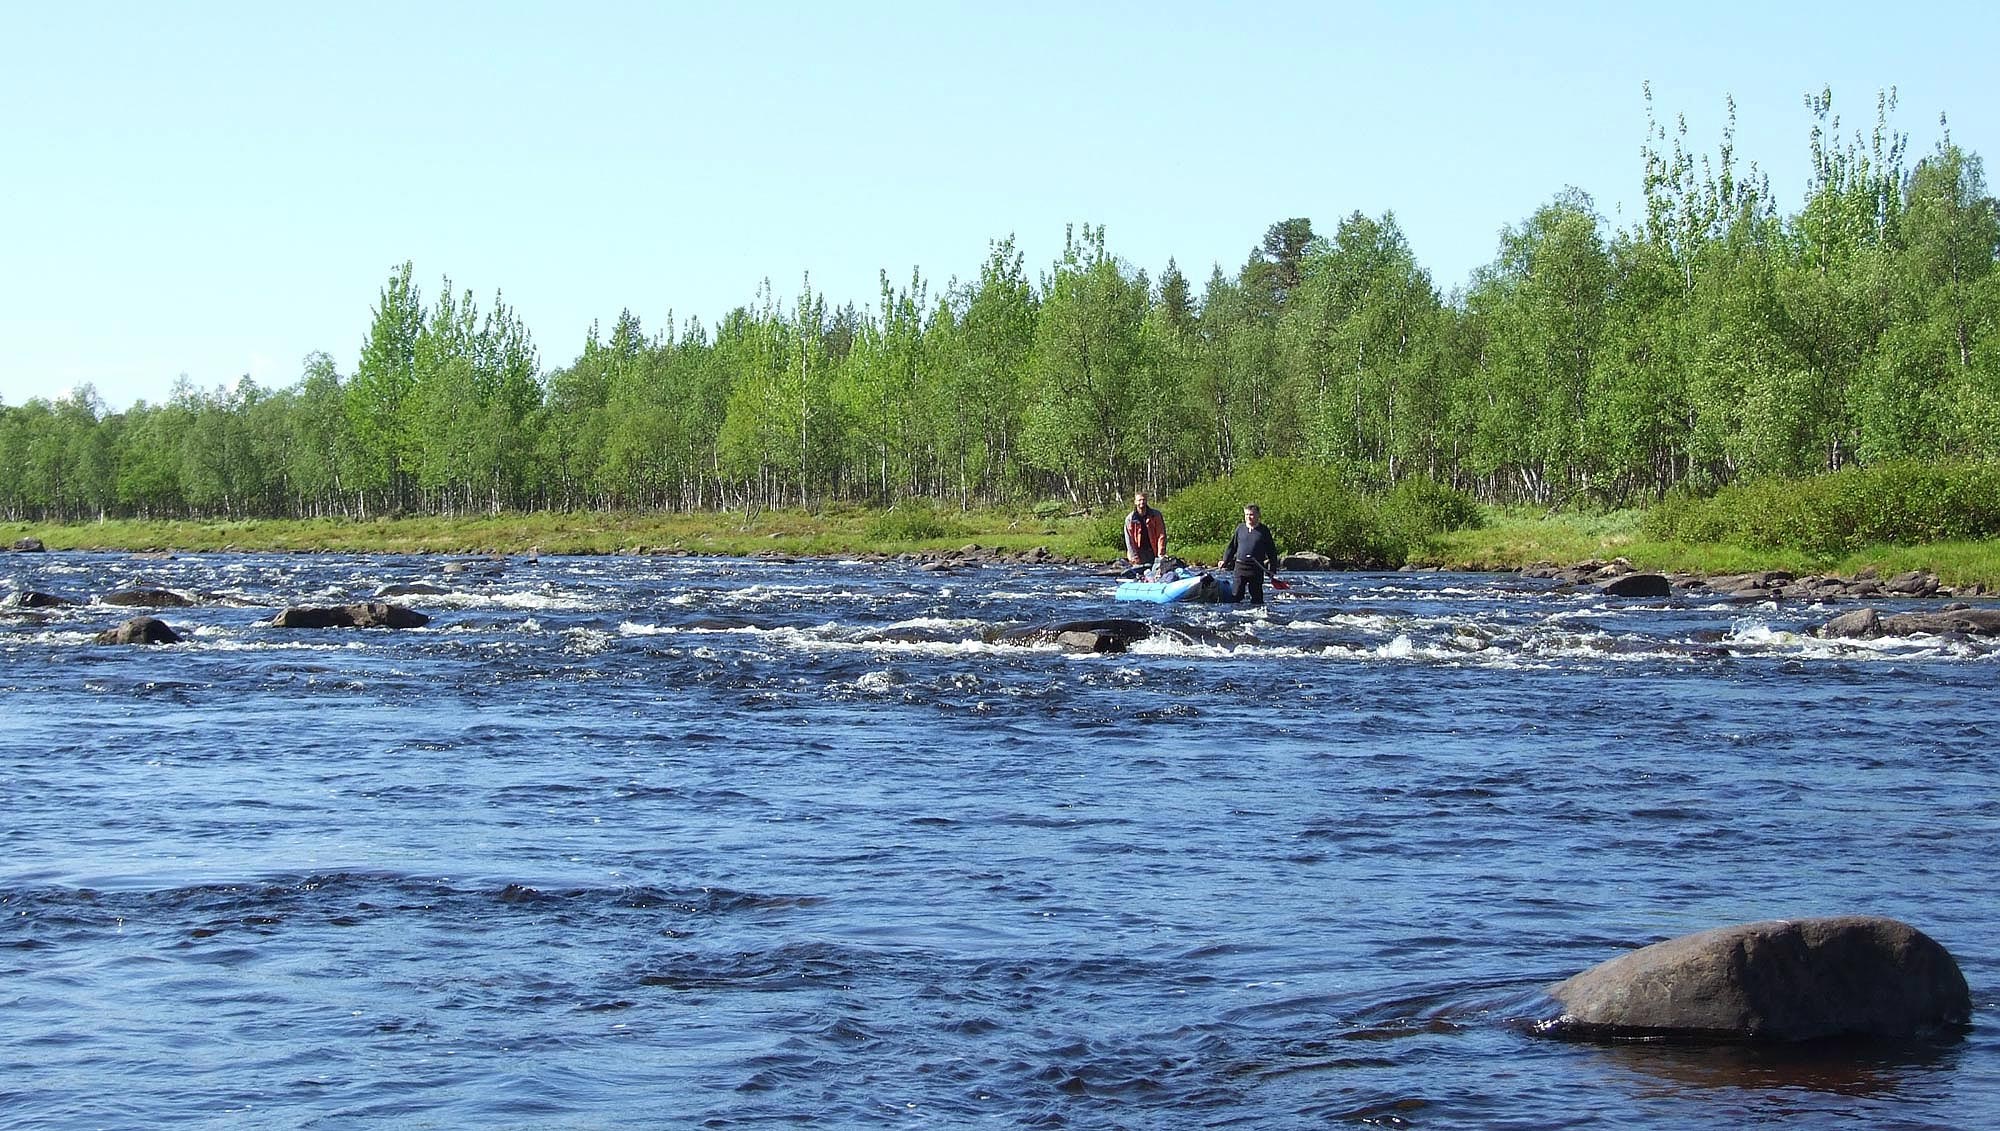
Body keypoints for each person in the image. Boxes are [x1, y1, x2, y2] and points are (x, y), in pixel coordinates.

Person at [1218, 503, 1280, 605]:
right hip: (1240, 568)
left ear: (1258, 515)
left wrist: (1272, 569)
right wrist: (1225, 560)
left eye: (1251, 515)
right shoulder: (1240, 528)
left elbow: (1271, 551)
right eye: (1246, 515)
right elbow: (1232, 547)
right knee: (1236, 596)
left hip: (1256, 569)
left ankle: (1255, 616)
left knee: (1257, 599)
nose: (1248, 517)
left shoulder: (1264, 531)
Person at [1124, 491, 1166, 576]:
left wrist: (1161, 553)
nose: (1141, 502)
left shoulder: (1156, 515)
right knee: (1139, 574)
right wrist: (1134, 557)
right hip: (1138, 552)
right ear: (1135, 502)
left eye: (1143, 500)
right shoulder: (1130, 519)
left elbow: (1161, 535)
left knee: (1156, 572)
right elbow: (1129, 540)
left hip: (1153, 551)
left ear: (1146, 501)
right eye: (1139, 500)